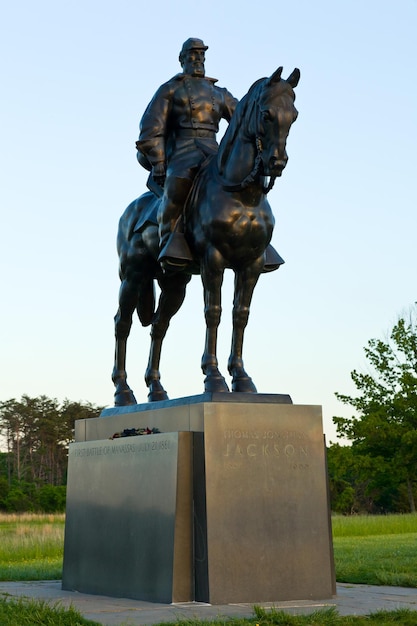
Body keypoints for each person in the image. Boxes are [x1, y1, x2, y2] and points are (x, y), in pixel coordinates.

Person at [136, 38, 238, 270]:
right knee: (178, 182)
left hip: (213, 151)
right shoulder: (170, 89)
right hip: (182, 151)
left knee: (242, 179)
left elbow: (241, 120)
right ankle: (169, 240)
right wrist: (159, 161)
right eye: (192, 56)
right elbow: (151, 128)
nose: (197, 60)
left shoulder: (219, 93)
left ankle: (257, 239)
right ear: (182, 60)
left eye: (200, 56)